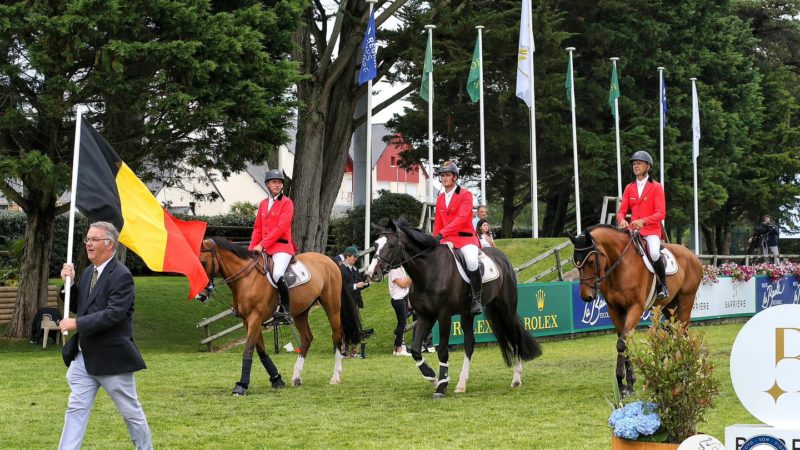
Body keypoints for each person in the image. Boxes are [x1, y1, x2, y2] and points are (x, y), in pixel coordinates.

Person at [58, 221, 152, 450]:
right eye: (87, 239)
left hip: (112, 360)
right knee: (75, 409)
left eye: (94, 239)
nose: (88, 244)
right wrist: (66, 285)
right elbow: (80, 305)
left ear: (109, 244)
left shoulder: (122, 276)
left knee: (131, 413)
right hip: (84, 357)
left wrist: (77, 323)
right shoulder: (89, 272)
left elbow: (113, 315)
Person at [433, 160, 483, 315]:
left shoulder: (466, 195)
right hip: (446, 240)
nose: (444, 178)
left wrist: (443, 233)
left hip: (465, 239)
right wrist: (435, 239)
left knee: (471, 261)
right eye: (442, 175)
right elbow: (438, 223)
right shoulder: (440, 198)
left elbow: (461, 218)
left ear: (455, 177)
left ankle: (477, 298)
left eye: (447, 175)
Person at [616, 150, 668, 299]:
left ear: (648, 166)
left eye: (639, 163)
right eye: (634, 164)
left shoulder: (656, 187)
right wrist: (622, 220)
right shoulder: (629, 188)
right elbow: (621, 212)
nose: (635, 166)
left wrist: (644, 221)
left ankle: (662, 285)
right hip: (632, 232)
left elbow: (661, 213)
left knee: (654, 253)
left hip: (651, 231)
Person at [249, 169, 296, 322]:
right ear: (268, 184)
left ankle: (285, 310)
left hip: (282, 248)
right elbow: (258, 228)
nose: (277, 185)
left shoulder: (287, 203)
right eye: (274, 182)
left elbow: (281, 228)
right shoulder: (263, 204)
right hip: (264, 248)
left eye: (280, 182)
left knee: (276, 274)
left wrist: (262, 245)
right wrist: (251, 249)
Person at [340, 246, 368, 357]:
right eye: (354, 256)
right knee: (346, 324)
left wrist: (366, 282)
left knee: (355, 325)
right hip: (345, 302)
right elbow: (343, 287)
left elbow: (358, 283)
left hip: (355, 302)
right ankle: (344, 348)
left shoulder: (355, 269)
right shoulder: (341, 269)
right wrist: (356, 285)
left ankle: (354, 348)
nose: (356, 259)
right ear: (348, 256)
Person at [388, 266, 411, 356]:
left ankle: (396, 348)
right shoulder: (393, 270)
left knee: (401, 323)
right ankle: (399, 348)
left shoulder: (401, 268)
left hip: (403, 298)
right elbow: (403, 284)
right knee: (402, 323)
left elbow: (406, 284)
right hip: (398, 299)